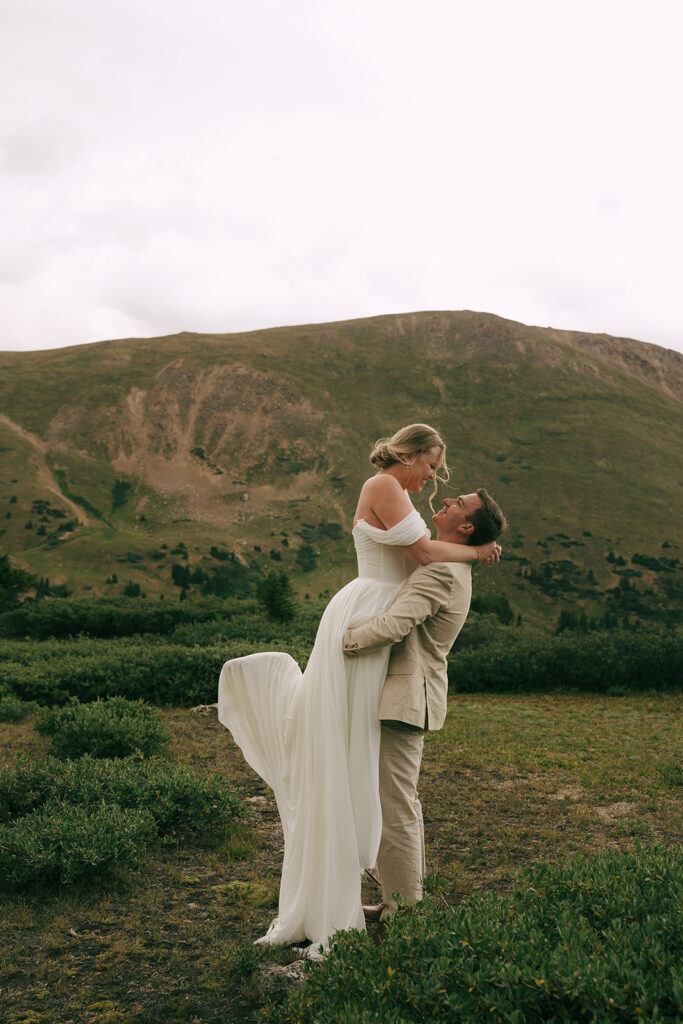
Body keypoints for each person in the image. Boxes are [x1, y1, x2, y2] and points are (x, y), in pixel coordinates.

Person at [216, 424, 501, 954]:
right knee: (366, 775)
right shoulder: (388, 490)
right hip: (368, 621)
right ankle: (387, 903)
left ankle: (394, 905)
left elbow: (420, 565)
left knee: (381, 787)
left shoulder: (426, 537)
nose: (436, 479)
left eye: (443, 480)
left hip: (375, 636)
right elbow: (419, 551)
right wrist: (480, 552)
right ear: (410, 454)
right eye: (433, 465)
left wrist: (474, 551)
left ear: (464, 525)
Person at [343, 488, 507, 922]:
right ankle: (396, 900)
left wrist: (341, 642)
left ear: (465, 526)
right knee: (394, 802)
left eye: (459, 502)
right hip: (402, 695)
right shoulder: (450, 562)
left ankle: (406, 910)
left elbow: (397, 624)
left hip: (405, 698)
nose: (448, 499)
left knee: (396, 807)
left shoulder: (444, 571)